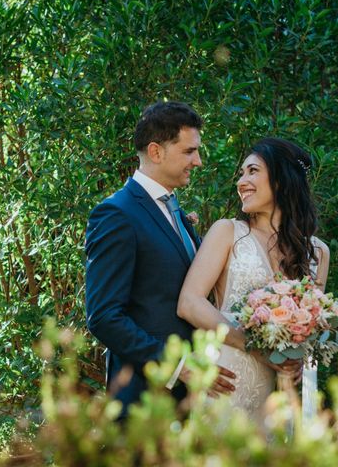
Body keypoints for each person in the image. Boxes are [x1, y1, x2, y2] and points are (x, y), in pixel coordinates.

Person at [85, 101, 236, 418]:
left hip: (192, 401)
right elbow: (103, 316)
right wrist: (177, 365)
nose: (197, 161)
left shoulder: (174, 209)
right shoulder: (117, 214)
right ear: (156, 152)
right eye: (189, 151)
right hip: (145, 397)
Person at [177, 137, 330, 426]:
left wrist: (297, 358)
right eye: (242, 173)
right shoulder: (227, 232)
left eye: (253, 171)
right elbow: (189, 303)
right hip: (224, 382)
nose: (241, 181)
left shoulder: (318, 253)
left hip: (275, 399)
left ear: (282, 181)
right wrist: (257, 349)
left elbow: (312, 331)